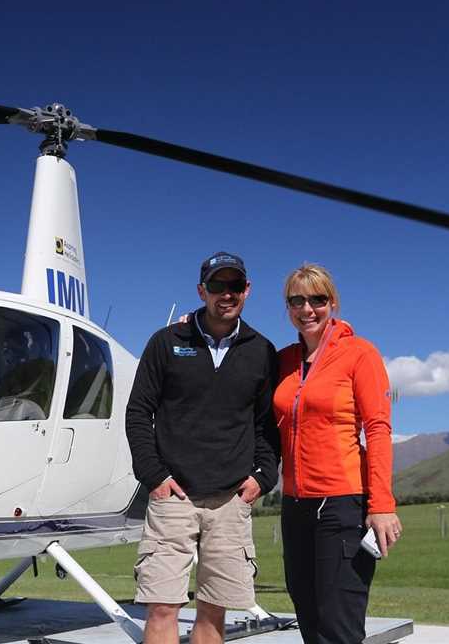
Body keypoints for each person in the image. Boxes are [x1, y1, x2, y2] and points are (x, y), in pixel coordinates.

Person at [126, 251, 280, 644]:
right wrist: (154, 476)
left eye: (234, 286)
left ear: (247, 291)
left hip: (230, 500)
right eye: (217, 286)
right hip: (172, 496)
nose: (225, 294)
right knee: (161, 605)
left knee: (214, 610)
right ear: (201, 291)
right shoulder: (166, 342)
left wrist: (263, 477)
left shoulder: (261, 351)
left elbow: (266, 423)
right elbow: (138, 413)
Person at [273, 263, 402, 644]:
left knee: (339, 626)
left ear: (333, 303)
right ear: (288, 307)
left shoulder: (360, 354)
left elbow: (377, 428)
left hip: (343, 505)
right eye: (297, 300)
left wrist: (382, 504)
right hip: (295, 507)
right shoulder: (283, 361)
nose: (307, 308)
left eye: (318, 299)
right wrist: (192, 329)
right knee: (308, 619)